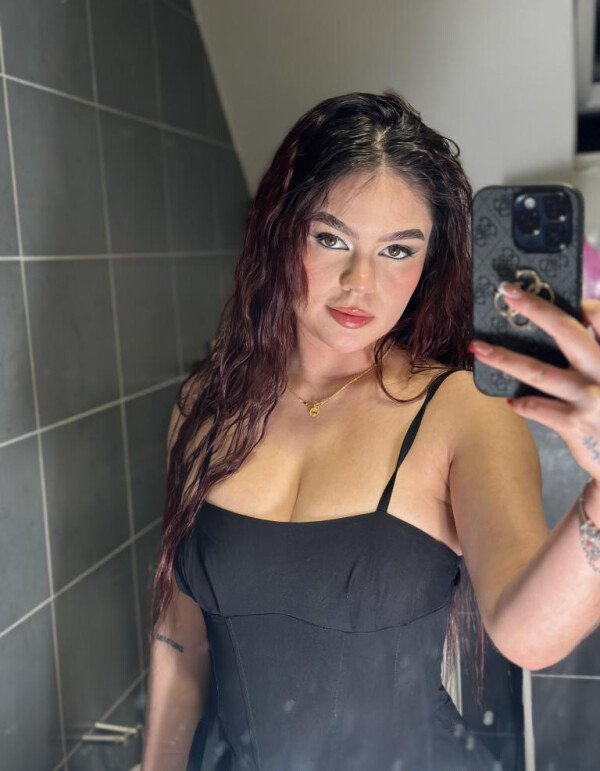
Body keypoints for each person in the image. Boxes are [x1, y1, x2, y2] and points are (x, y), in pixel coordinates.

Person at [141, 91, 600, 771]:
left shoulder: (458, 410)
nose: (362, 282)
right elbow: (180, 636)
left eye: (397, 250)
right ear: (280, 231)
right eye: (331, 238)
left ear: (428, 263)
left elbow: (529, 637)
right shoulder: (204, 402)